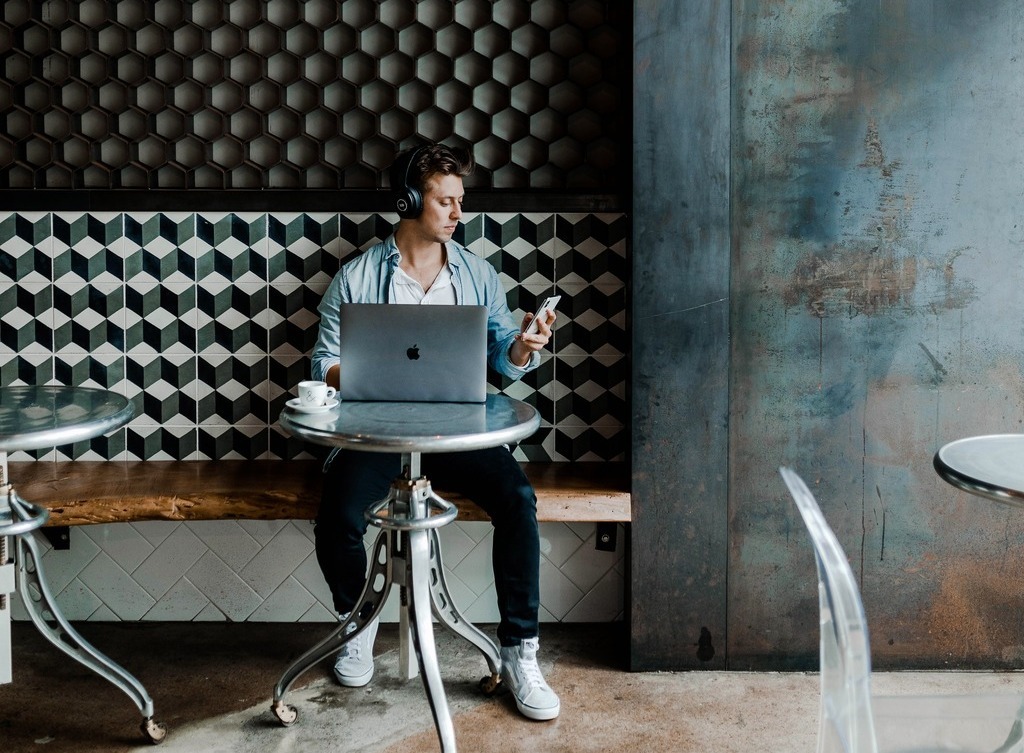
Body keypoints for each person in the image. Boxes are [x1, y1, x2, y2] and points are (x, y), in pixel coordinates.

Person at [308, 143, 560, 721]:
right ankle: (358, 623)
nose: (456, 213)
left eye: (459, 202)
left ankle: (520, 650)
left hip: (459, 434)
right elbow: (323, 363)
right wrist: (371, 370)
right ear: (408, 200)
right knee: (339, 516)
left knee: (519, 502)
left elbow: (501, 356)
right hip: (375, 434)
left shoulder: (478, 274)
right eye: (444, 201)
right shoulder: (355, 276)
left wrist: (522, 346)